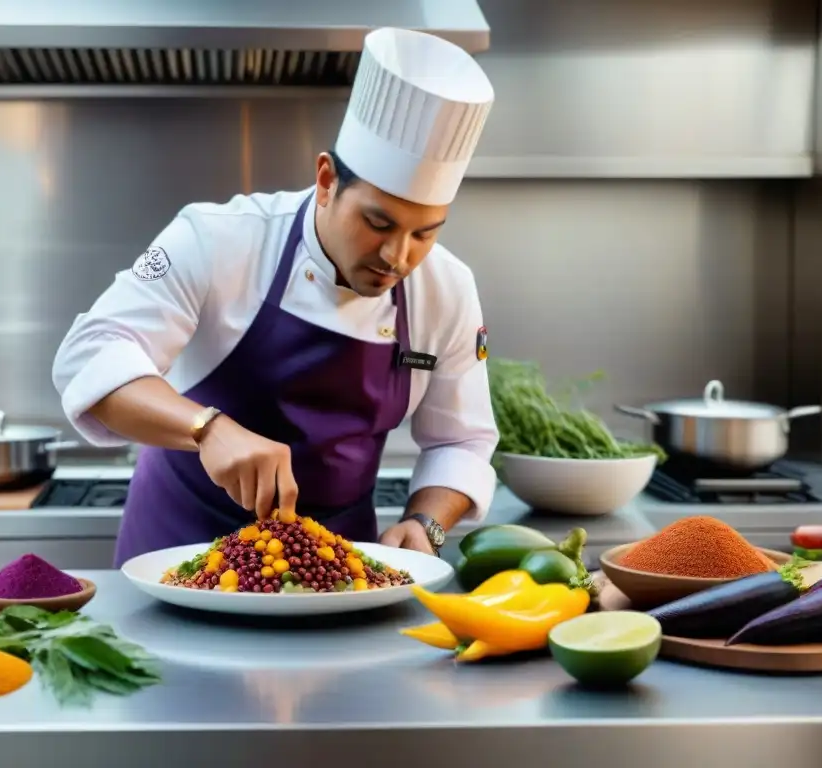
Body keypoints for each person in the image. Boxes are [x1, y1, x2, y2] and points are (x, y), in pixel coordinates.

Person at [52, 27, 500, 566]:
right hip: (179, 549)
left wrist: (425, 523)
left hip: (333, 565)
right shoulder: (216, 237)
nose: (397, 257)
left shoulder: (447, 289)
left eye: (425, 233)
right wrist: (206, 428)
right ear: (327, 179)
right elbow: (91, 353)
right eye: (378, 223)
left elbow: (462, 440)